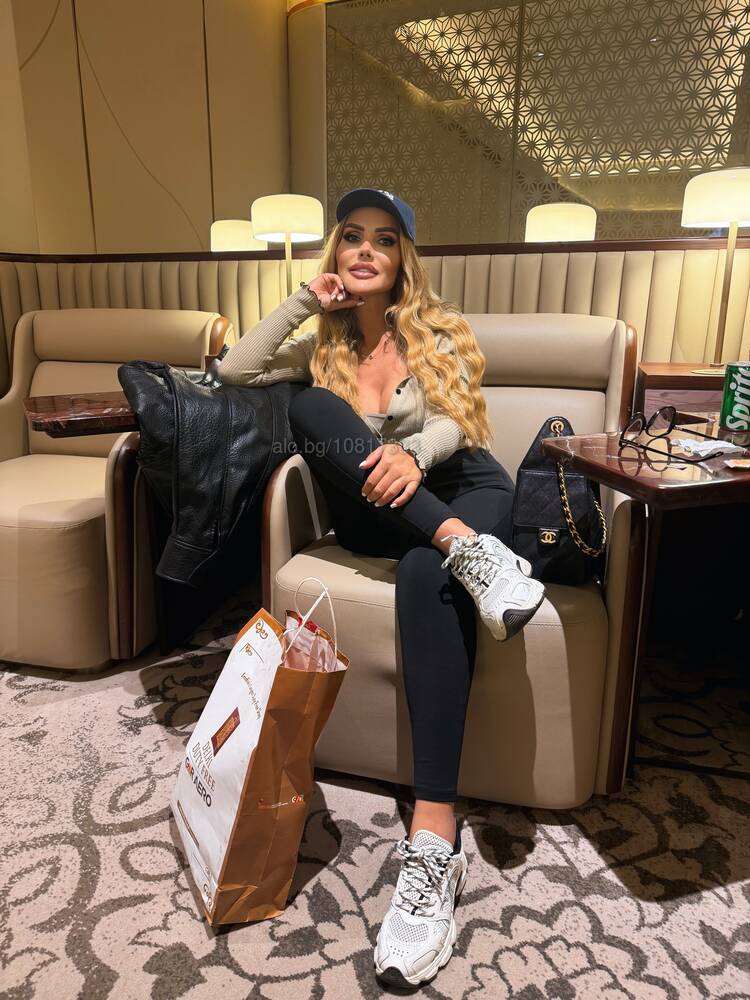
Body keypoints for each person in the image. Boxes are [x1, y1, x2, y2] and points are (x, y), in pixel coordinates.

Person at [217, 187, 545, 988]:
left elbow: (458, 421)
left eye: (385, 239)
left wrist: (413, 456)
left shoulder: (440, 327)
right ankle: (469, 553)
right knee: (310, 407)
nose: (366, 250)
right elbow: (234, 368)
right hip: (381, 517)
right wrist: (306, 298)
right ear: (337, 252)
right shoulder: (321, 346)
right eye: (353, 237)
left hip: (465, 487)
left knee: (429, 573)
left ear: (404, 259)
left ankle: (433, 838)